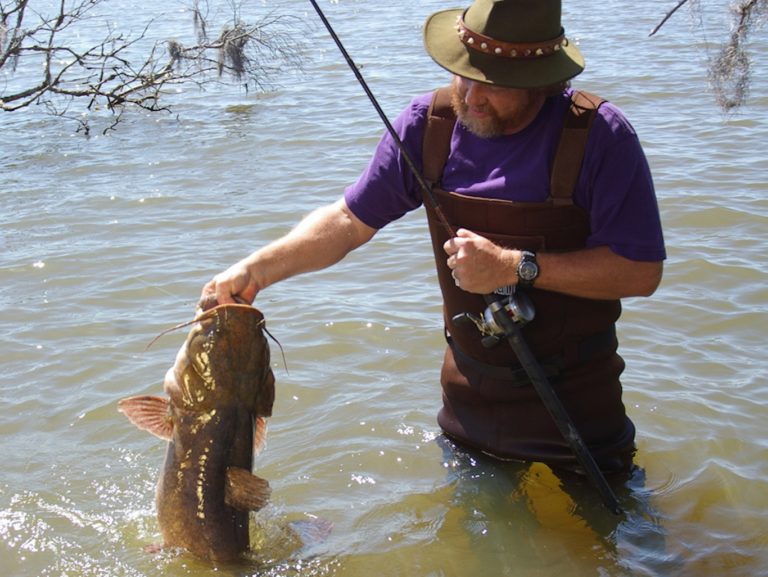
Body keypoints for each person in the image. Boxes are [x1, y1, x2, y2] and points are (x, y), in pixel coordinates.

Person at [200, 0, 665, 475]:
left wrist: (514, 267)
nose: (473, 96)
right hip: (468, 406)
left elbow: (641, 272)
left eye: (494, 83)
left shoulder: (599, 135)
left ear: (543, 82)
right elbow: (348, 221)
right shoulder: (429, 124)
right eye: (463, 74)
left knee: (615, 523)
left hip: (579, 411)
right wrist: (256, 269)